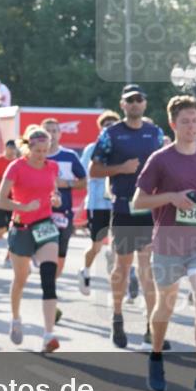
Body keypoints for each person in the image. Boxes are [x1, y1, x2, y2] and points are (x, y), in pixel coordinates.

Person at [134, 95, 196, 391]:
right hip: (168, 241)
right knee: (167, 305)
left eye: (195, 121)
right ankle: (156, 356)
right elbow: (138, 201)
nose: (191, 127)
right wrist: (171, 198)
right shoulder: (160, 159)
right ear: (173, 124)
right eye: (185, 122)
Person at [90, 84, 168, 350]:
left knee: (148, 270)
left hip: (149, 209)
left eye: (138, 99)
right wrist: (120, 168)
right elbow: (94, 170)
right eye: (129, 101)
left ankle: (150, 327)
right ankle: (117, 317)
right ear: (122, 105)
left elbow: (164, 166)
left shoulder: (155, 133)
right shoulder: (111, 134)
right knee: (122, 268)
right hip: (123, 209)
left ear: (145, 104)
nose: (134, 104)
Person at [0, 127, 62, 352]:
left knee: (48, 277)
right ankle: (15, 318)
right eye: (38, 151)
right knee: (21, 279)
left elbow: (54, 192)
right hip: (21, 227)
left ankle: (48, 335)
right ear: (28, 148)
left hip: (44, 226)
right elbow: (0, 201)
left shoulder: (52, 166)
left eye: (46, 150)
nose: (42, 155)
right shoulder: (17, 167)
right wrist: (23, 207)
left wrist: (56, 199)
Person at [78, 111, 120, 295]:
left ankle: (121, 283)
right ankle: (85, 271)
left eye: (113, 124)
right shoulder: (91, 148)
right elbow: (85, 174)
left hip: (117, 203)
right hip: (97, 203)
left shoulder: (123, 149)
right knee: (97, 245)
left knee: (118, 245)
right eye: (106, 124)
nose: (109, 127)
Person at [42, 117, 87, 278]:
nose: (51, 134)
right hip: (40, 213)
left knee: (60, 254)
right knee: (45, 252)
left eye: (54, 131)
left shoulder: (69, 156)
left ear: (60, 134)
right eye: (48, 131)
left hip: (63, 213)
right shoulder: (37, 157)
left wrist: (65, 184)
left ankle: (52, 285)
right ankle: (48, 287)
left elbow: (83, 182)